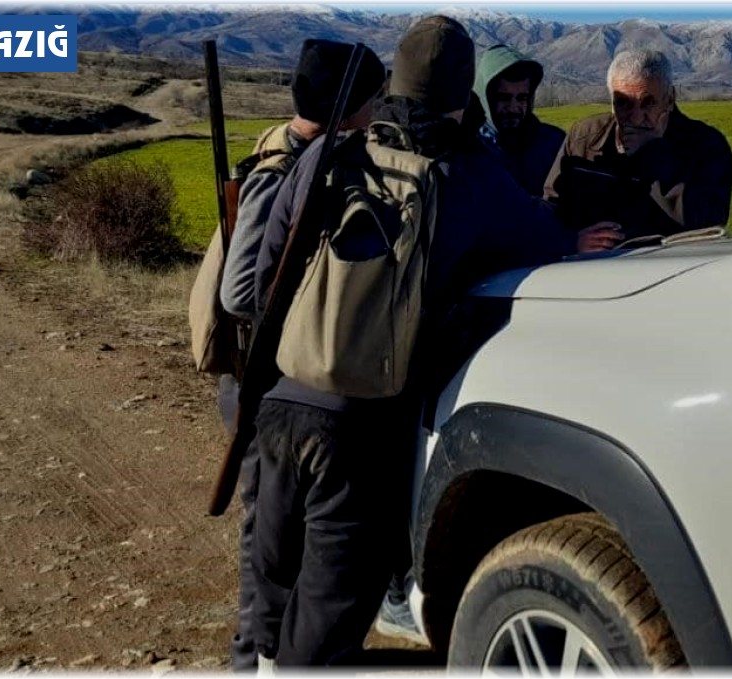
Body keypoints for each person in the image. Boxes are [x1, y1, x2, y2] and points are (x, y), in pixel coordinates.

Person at [246, 15, 622, 668]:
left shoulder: (332, 151)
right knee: (326, 628)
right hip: (364, 433)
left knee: (270, 600)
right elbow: (538, 243)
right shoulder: (467, 174)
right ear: (462, 94)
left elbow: (261, 284)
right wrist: (574, 241)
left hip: (280, 407)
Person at [216, 38, 387, 673]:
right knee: (267, 562)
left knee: (276, 555)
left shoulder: (308, 155)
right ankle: (249, 665)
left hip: (280, 385)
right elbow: (241, 292)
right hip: (268, 382)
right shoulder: (284, 166)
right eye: (369, 99)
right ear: (352, 105)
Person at [544, 48, 732, 239]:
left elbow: (709, 223)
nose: (636, 118)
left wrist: (654, 155)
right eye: (623, 103)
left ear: (670, 99)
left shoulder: (705, 146)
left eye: (648, 102)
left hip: (668, 264)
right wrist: (573, 239)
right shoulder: (584, 138)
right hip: (596, 264)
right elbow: (552, 207)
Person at [471, 44, 566, 196]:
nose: (513, 108)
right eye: (503, 98)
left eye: (522, 98)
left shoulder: (555, 143)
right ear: (485, 99)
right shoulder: (469, 150)